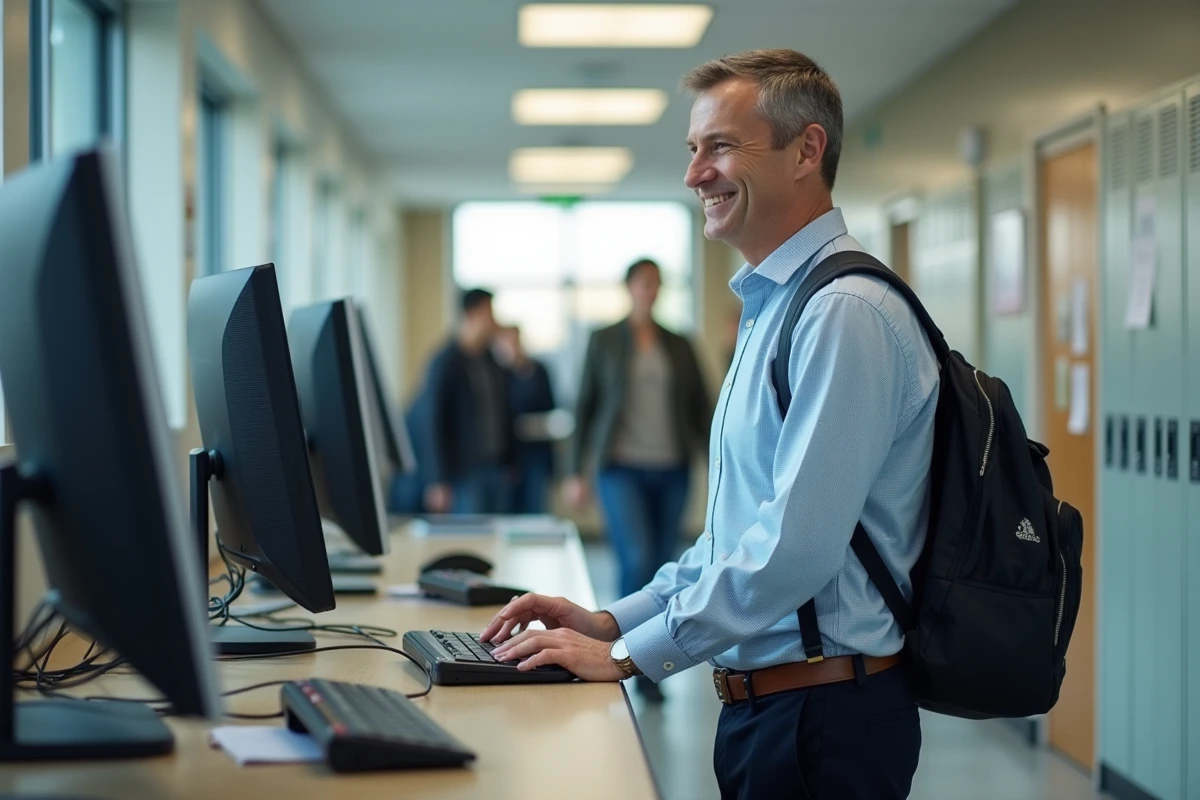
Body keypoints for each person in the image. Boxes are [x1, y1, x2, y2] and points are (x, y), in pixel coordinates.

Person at [481, 48, 939, 799]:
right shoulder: (777, 311)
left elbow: (792, 552)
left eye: (720, 146)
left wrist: (632, 657)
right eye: (694, 150)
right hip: (773, 705)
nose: (696, 174)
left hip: (823, 717)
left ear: (807, 151)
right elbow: (736, 542)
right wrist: (608, 620)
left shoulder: (843, 314)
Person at [562, 258, 711, 701]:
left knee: (663, 564)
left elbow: (702, 406)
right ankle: (621, 658)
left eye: (656, 284)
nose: (650, 291)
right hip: (620, 467)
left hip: (672, 468)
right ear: (629, 288)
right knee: (636, 554)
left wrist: (720, 463)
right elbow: (584, 407)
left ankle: (644, 662)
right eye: (643, 283)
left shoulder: (679, 343)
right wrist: (575, 471)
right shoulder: (605, 340)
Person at [423, 288, 515, 515]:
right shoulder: (445, 362)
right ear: (471, 315)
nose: (494, 320)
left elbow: (504, 412)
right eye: (489, 313)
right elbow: (432, 422)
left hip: (496, 467)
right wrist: (437, 479)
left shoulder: (491, 361)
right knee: (470, 537)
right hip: (463, 473)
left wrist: (511, 460)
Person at [493, 325, 557, 514]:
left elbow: (551, 407)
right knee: (509, 509)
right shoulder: (499, 375)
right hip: (511, 454)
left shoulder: (539, 371)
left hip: (537, 451)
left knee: (536, 507)